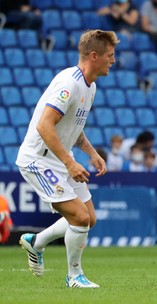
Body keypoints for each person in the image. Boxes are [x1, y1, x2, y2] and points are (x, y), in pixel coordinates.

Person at [15, 29, 120, 288]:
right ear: (94, 56)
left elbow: (73, 125)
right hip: (38, 160)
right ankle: (74, 276)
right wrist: (69, 163)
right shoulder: (69, 84)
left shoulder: (90, 86)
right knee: (80, 218)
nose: (114, 60)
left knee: (89, 218)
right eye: (110, 55)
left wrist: (92, 153)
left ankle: (35, 242)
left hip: (60, 157)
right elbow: (45, 126)